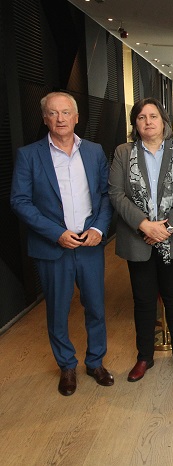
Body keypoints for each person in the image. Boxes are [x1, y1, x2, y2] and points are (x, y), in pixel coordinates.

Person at [10, 91, 113, 396]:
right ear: (45, 119)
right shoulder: (29, 155)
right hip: (53, 247)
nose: (60, 119)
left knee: (96, 307)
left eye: (66, 112)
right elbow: (20, 200)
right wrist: (56, 233)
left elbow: (106, 195)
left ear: (76, 117)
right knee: (57, 311)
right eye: (53, 113)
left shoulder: (94, 151)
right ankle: (67, 365)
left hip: (89, 244)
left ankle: (95, 362)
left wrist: (98, 228)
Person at [108, 98, 173, 382]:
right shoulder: (123, 152)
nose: (148, 121)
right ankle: (144, 357)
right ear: (135, 124)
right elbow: (116, 194)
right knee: (143, 300)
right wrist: (145, 226)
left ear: (163, 121)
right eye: (141, 117)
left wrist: (167, 227)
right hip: (138, 239)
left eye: (153, 116)